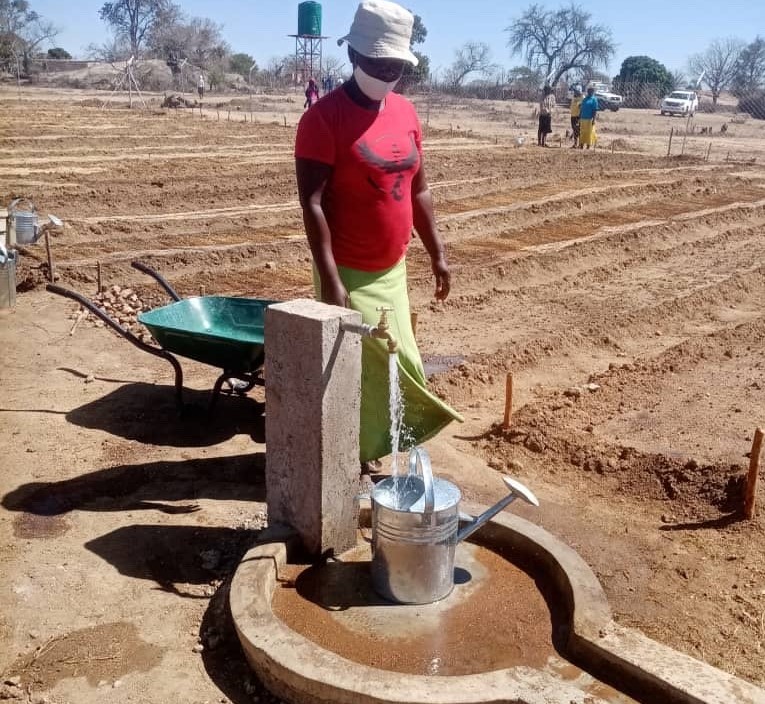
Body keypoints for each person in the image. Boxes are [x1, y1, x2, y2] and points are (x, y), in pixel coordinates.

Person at [294, 0, 463, 467]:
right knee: (369, 367)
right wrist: (331, 280)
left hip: (392, 267)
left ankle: (369, 450)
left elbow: (420, 190)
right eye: (378, 63)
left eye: (395, 66)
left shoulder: (406, 113)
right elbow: (312, 203)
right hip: (347, 268)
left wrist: (437, 253)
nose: (387, 73)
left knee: (399, 363)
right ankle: (352, 457)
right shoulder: (322, 120)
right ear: (352, 55)